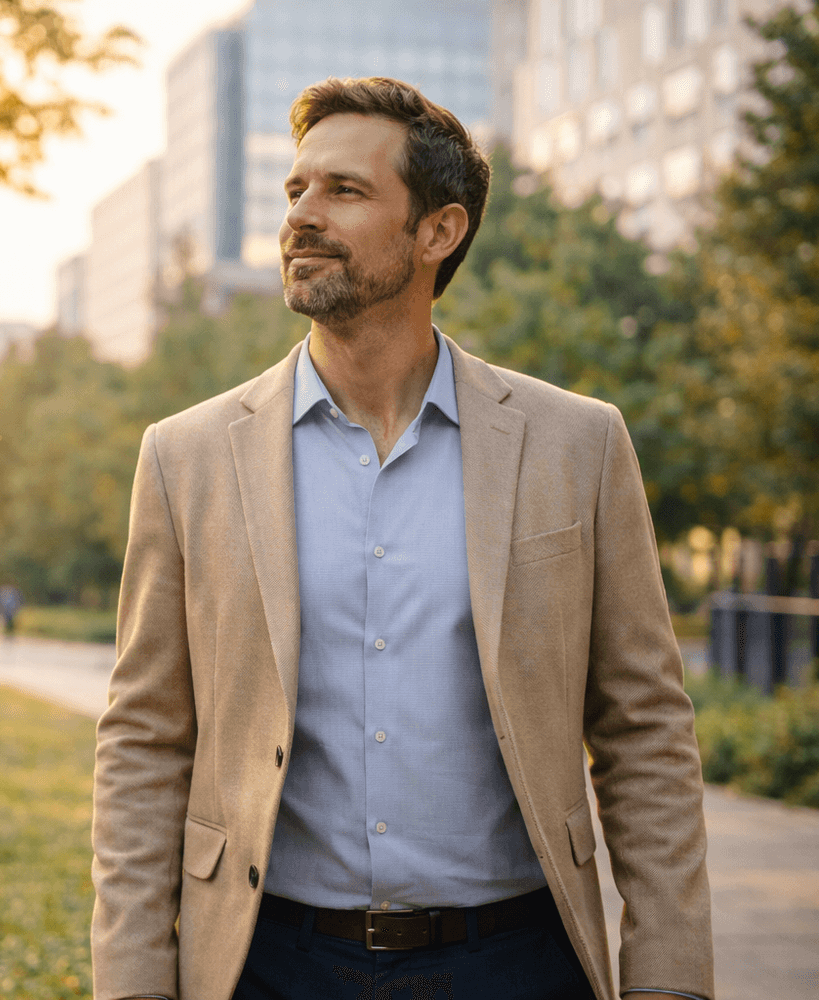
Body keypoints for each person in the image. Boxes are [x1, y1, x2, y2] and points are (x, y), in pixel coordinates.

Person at [90, 77, 711, 1000]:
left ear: (438, 232)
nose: (302, 215)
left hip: (516, 964)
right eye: (297, 189)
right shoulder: (186, 458)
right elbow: (144, 741)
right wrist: (136, 982)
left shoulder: (578, 444)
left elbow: (646, 732)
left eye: (344, 190)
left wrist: (669, 980)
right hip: (270, 965)